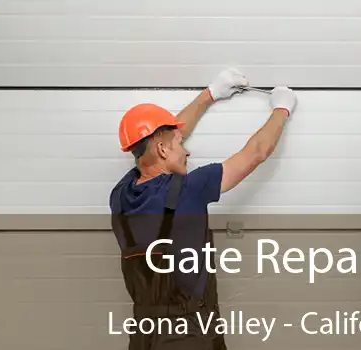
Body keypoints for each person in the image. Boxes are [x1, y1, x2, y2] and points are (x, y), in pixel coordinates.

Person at [109, 68, 297, 350]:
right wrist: (282, 108)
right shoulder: (189, 190)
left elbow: (162, 139)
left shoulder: (121, 194)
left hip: (144, 337)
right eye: (178, 145)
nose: (186, 151)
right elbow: (256, 153)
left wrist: (210, 95)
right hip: (190, 336)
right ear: (161, 150)